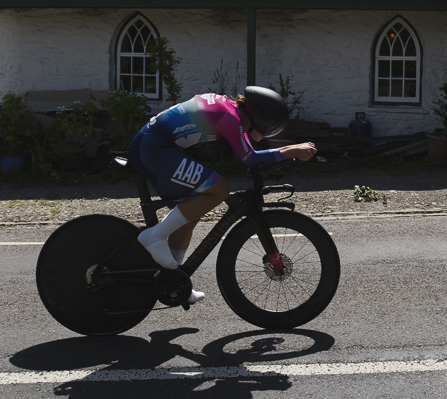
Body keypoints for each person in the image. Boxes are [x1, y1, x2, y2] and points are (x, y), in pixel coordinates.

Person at [128, 86, 317, 305]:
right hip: (153, 150)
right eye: (266, 128)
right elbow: (251, 159)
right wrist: (291, 151)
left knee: (191, 212)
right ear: (257, 117)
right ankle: (154, 236)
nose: (263, 132)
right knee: (219, 188)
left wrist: (288, 150)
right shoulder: (229, 117)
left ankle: (175, 280)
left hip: (152, 146)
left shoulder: (228, 107)